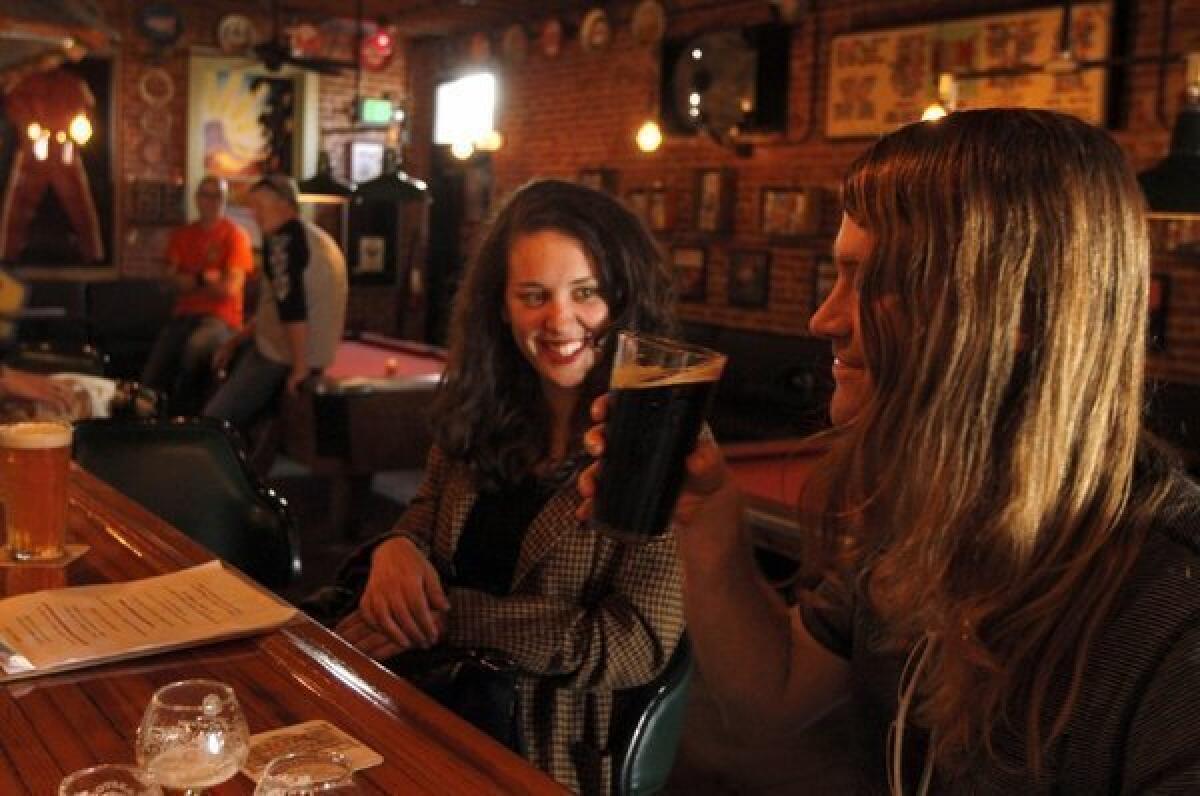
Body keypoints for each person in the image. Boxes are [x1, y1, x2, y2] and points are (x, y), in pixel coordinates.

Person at [581, 109, 1200, 793]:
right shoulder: (920, 510)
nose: (825, 318)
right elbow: (773, 698)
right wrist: (710, 525)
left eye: (871, 281)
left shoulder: (1175, 609)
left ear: (1019, 310)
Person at [334, 179, 684, 794]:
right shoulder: (478, 409)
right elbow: (423, 515)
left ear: (623, 299)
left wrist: (454, 619)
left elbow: (634, 644)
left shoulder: (663, 440)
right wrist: (397, 550)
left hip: (545, 750)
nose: (560, 320)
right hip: (415, 704)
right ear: (501, 306)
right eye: (533, 295)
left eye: (586, 293)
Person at [204, 174, 347, 434]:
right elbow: (276, 309)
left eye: (259, 207)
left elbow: (293, 308)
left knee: (212, 423)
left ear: (285, 204)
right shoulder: (318, 238)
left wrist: (300, 369)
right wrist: (234, 341)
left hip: (280, 356)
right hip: (313, 355)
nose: (254, 216)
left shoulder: (281, 242)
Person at [141, 176, 254, 416]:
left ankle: (186, 416)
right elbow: (170, 282)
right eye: (206, 195)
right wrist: (205, 277)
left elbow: (228, 289)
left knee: (196, 348)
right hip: (184, 316)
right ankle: (148, 419)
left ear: (224, 201)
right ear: (197, 199)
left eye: (218, 196)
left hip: (221, 319)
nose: (211, 201)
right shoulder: (183, 235)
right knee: (156, 364)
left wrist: (190, 278)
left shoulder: (235, 236)